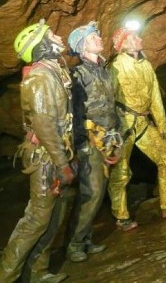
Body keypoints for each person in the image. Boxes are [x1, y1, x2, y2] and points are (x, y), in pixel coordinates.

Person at [0, 20, 76, 283]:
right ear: (42, 45)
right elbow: (43, 123)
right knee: (37, 219)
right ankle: (2, 278)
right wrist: (62, 164)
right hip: (45, 158)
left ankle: (37, 273)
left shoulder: (53, 71)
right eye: (51, 34)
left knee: (54, 217)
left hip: (56, 152)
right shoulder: (40, 77)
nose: (58, 36)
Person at [107, 21, 166, 230]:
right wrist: (109, 133)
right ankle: (121, 216)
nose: (140, 39)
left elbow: (155, 98)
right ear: (124, 45)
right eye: (135, 37)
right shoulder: (115, 67)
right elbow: (107, 99)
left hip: (143, 123)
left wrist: (163, 129)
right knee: (121, 171)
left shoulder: (145, 65)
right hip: (123, 124)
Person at [65, 21, 123, 262]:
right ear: (81, 47)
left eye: (97, 36)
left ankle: (86, 239)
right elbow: (75, 112)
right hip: (89, 138)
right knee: (92, 191)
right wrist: (81, 143)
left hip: (108, 137)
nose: (99, 39)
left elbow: (111, 105)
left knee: (97, 193)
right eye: (92, 38)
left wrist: (117, 134)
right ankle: (74, 244)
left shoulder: (105, 70)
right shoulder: (78, 74)